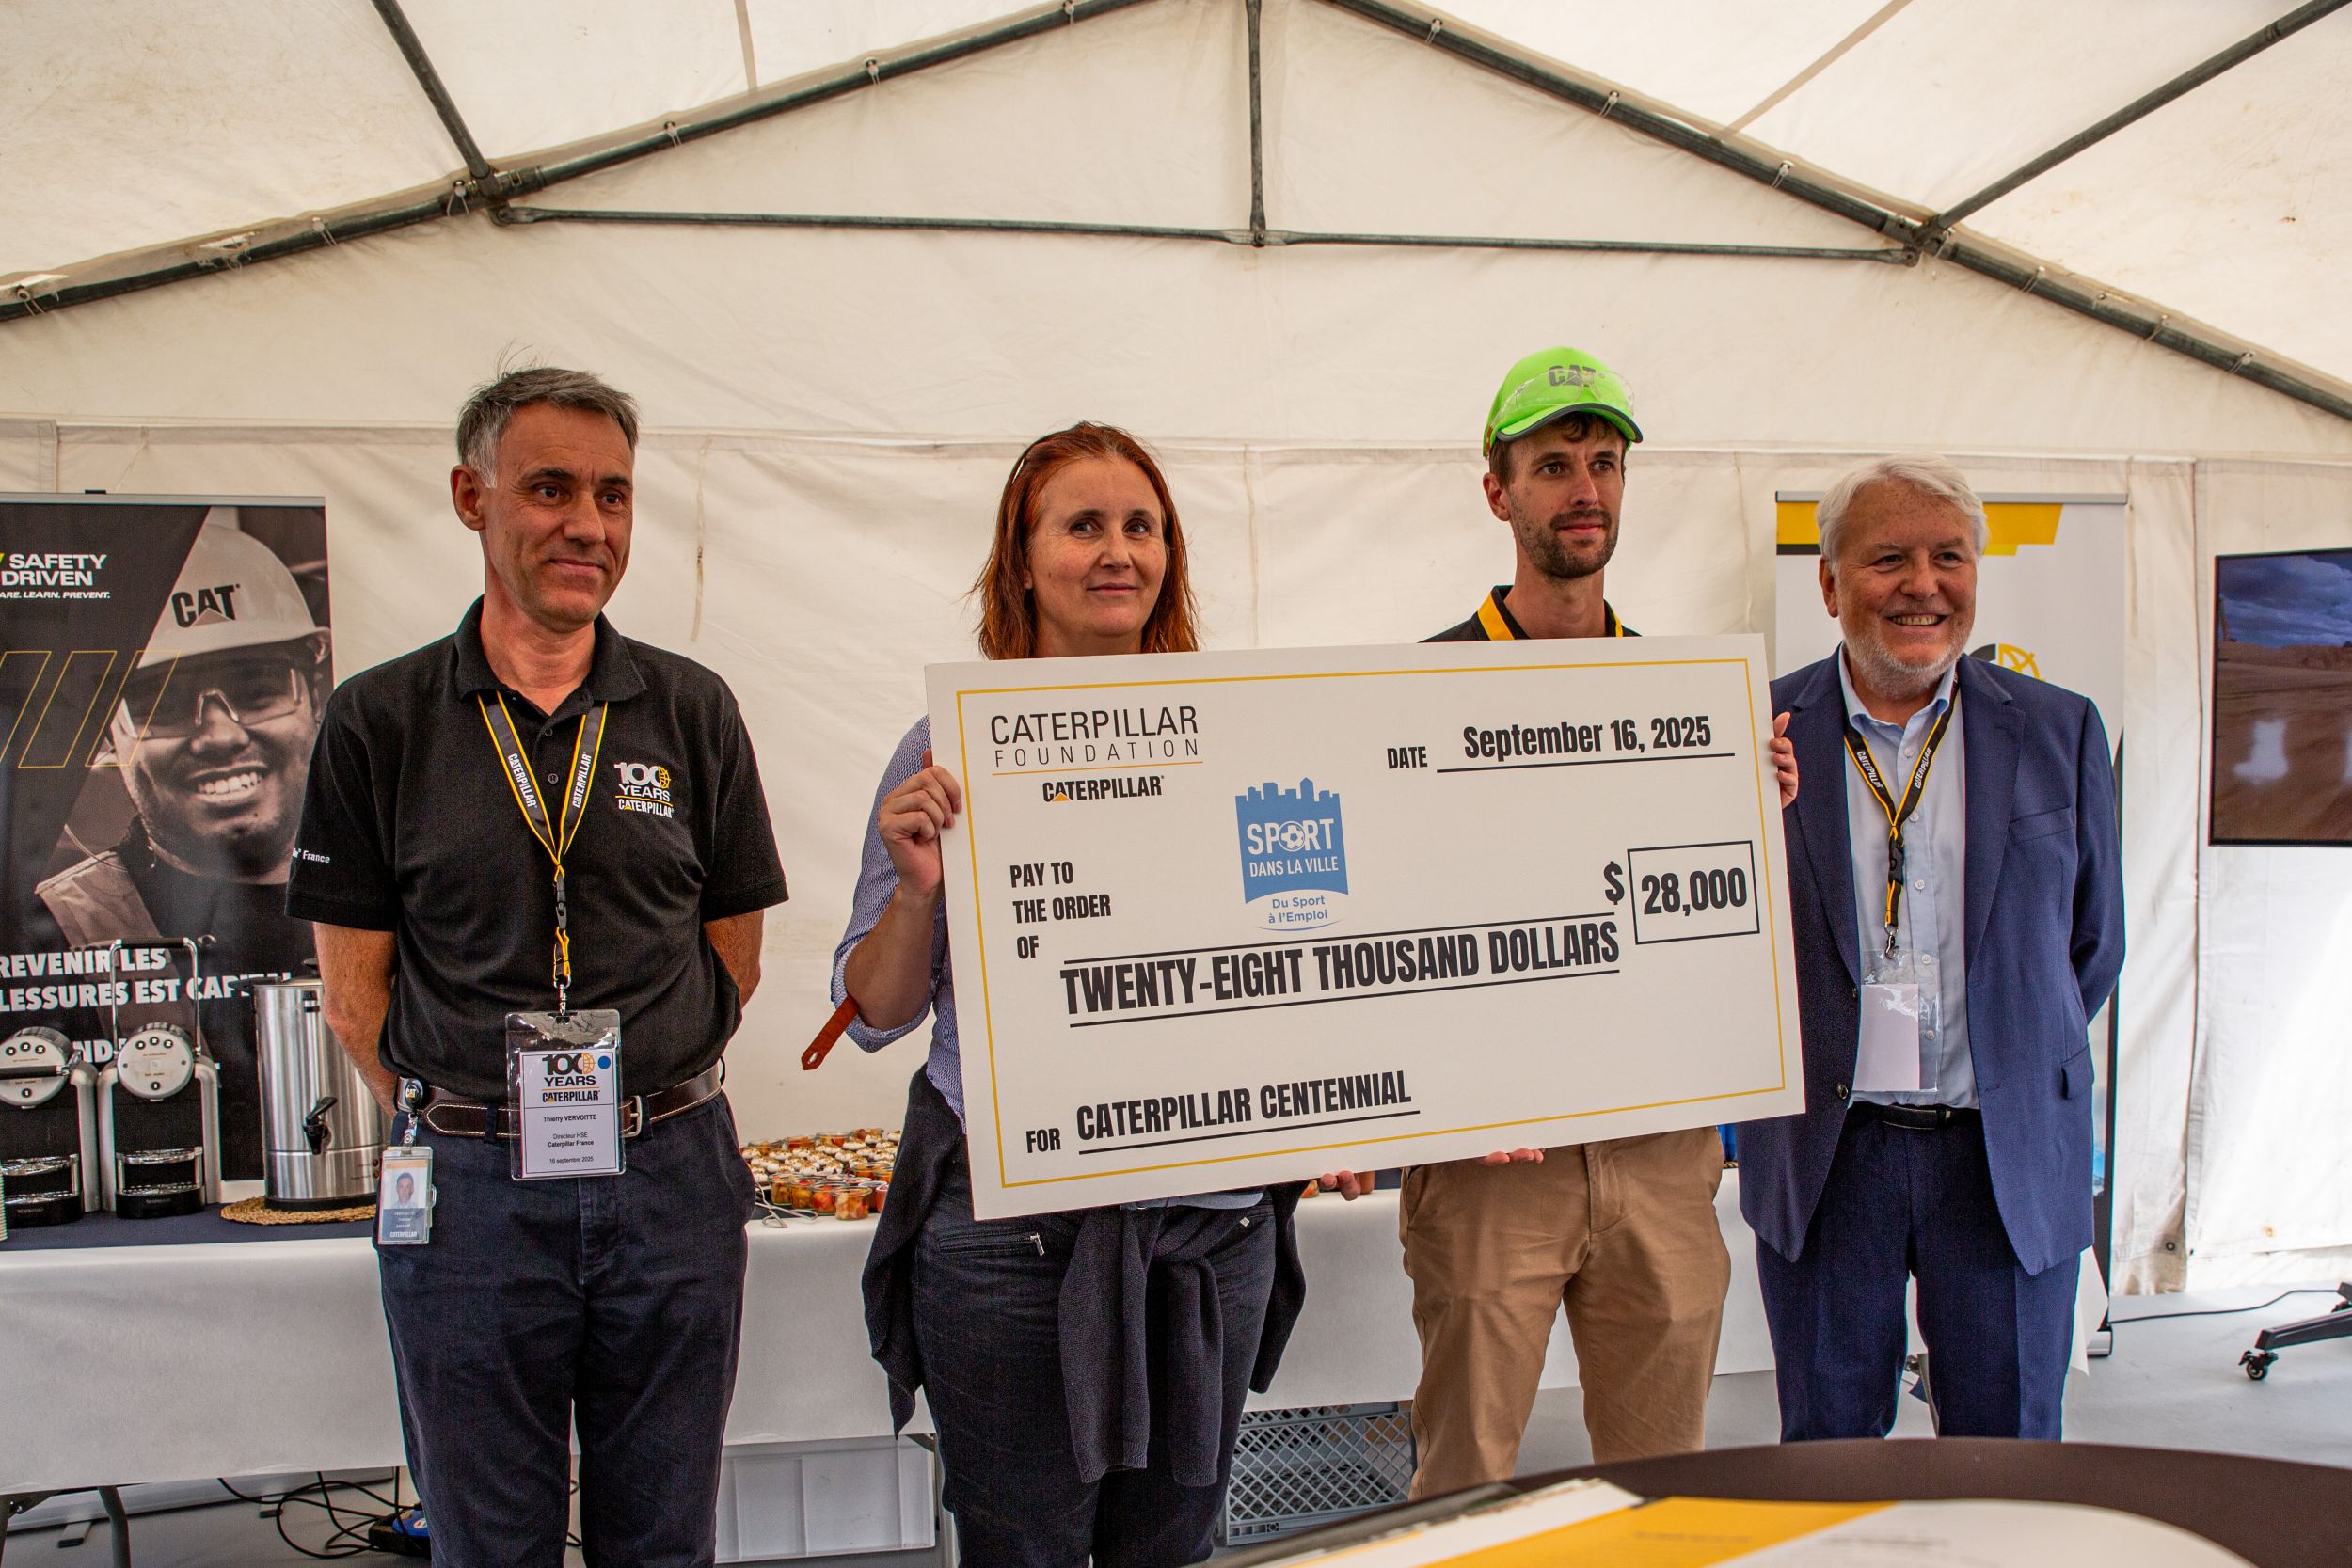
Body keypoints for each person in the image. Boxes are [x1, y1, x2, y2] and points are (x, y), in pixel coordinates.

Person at [288, 366, 787, 1567]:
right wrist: (468, 1118)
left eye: (613, 496)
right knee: (488, 1540)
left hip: (670, 1175)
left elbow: (735, 952)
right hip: (469, 1190)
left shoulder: (690, 708)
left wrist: (644, 1084)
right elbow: (355, 998)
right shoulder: (379, 720)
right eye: (550, 488)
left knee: (663, 1537)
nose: (588, 525)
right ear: (473, 497)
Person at [835, 423, 1305, 1568]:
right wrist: (916, 890)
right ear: (1022, 557)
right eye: (1082, 524)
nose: (1116, 551)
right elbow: (874, 1008)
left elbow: (1299, 947)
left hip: (1205, 1227)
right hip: (1011, 1240)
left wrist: (1325, 1102)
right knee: (1022, 1545)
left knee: (1174, 1544)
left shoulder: (1241, 725)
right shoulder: (945, 745)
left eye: (1140, 525)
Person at [1336, 346, 1796, 1496]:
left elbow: (1707, 923)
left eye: (1603, 462)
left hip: (1657, 1154)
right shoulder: (1411, 696)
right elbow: (1373, 927)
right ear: (1498, 491)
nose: (1583, 488)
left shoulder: (1689, 705)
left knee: (1661, 1484)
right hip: (1492, 1162)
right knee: (1462, 1479)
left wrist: (1754, 807)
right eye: (1552, 465)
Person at [1740, 455, 2123, 1441]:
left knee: (2008, 1460)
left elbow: (2091, 944)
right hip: (1833, 1157)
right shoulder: (1754, 730)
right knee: (1826, 1460)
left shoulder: (2057, 729)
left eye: (1948, 556)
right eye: (1887, 559)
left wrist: (2004, 1044)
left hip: (1998, 1161)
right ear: (1827, 583)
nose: (1922, 584)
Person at [35, 515, 332, 1180]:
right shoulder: (61, 931)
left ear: (315, 691)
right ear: (108, 733)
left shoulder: (396, 891)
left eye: (257, 687)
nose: (221, 735)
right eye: (165, 702)